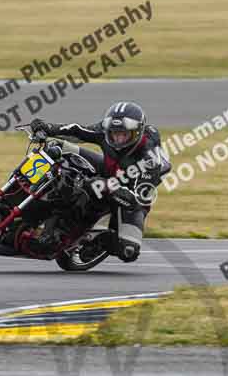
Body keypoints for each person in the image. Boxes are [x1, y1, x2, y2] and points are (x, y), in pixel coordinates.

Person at [12, 101, 170, 262]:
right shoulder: (104, 131)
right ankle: (20, 187)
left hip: (130, 195)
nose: (118, 139)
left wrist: (113, 188)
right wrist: (48, 128)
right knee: (57, 147)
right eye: (114, 133)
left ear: (136, 133)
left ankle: (97, 241)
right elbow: (78, 131)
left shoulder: (150, 159)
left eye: (123, 134)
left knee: (128, 251)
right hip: (108, 169)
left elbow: (138, 199)